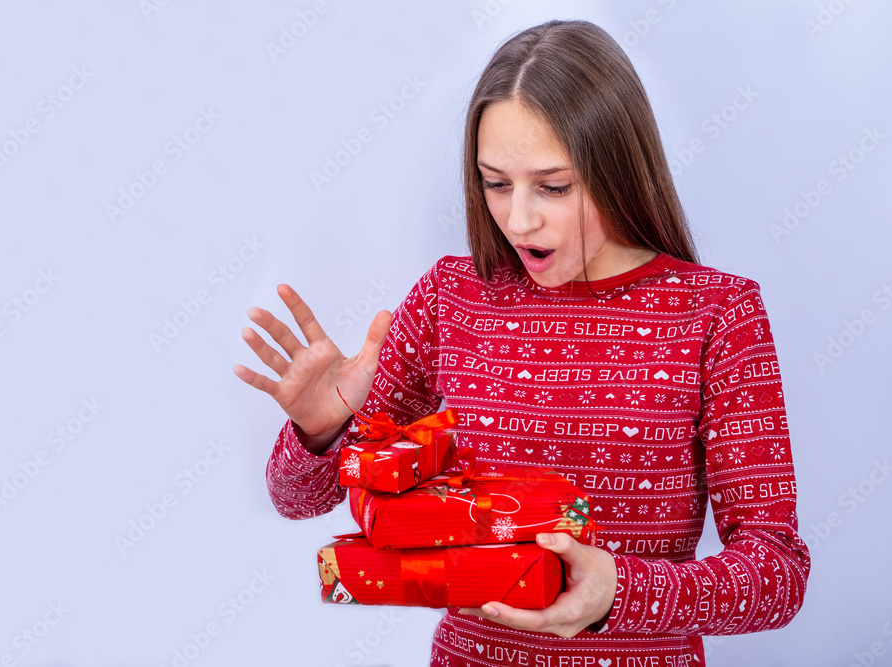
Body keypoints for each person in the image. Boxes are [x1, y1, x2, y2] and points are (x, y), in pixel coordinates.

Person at [234, 19, 810, 666]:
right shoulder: (449, 298)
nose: (518, 218)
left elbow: (776, 574)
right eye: (496, 182)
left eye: (553, 186)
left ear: (618, 167)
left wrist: (622, 589)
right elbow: (298, 498)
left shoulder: (717, 314)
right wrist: (322, 426)